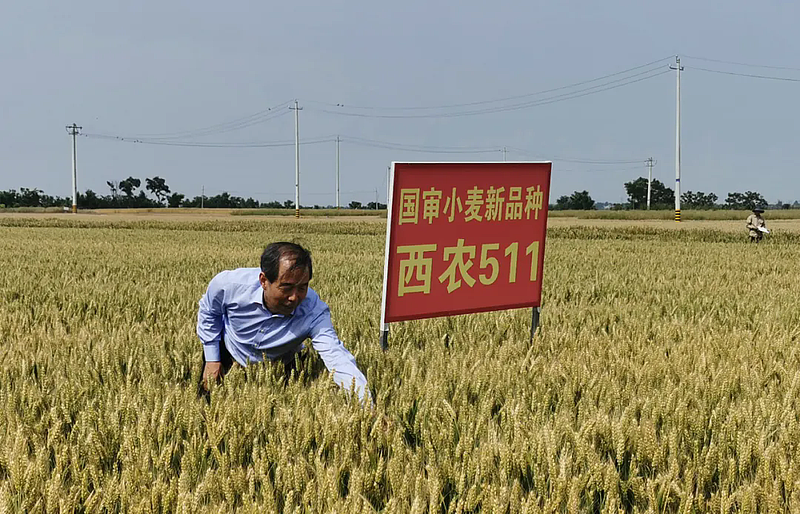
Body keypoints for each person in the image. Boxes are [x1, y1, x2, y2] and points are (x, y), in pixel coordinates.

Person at [197, 242, 369, 401]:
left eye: (302, 287)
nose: (294, 297)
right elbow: (209, 312)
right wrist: (212, 358)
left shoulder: (314, 311)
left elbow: (337, 357)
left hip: (280, 367)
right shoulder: (229, 285)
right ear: (264, 281)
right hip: (229, 353)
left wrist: (365, 405)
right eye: (286, 287)